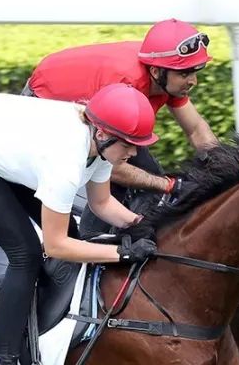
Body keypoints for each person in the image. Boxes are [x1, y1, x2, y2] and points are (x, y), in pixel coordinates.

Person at [0, 84, 161, 365]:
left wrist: (142, 225)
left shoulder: (101, 145)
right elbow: (56, 246)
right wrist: (121, 253)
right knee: (26, 254)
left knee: (74, 235)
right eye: (129, 145)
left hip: (0, 139)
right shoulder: (66, 160)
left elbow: (101, 203)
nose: (134, 154)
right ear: (102, 133)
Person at [22, 19, 220, 235]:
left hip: (89, 95)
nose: (193, 81)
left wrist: (225, 169)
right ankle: (88, 241)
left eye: (194, 72)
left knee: (146, 175)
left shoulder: (166, 73)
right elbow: (113, 166)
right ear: (156, 72)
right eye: (185, 74)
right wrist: (169, 185)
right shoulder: (128, 84)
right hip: (45, 105)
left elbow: (196, 129)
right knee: (137, 174)